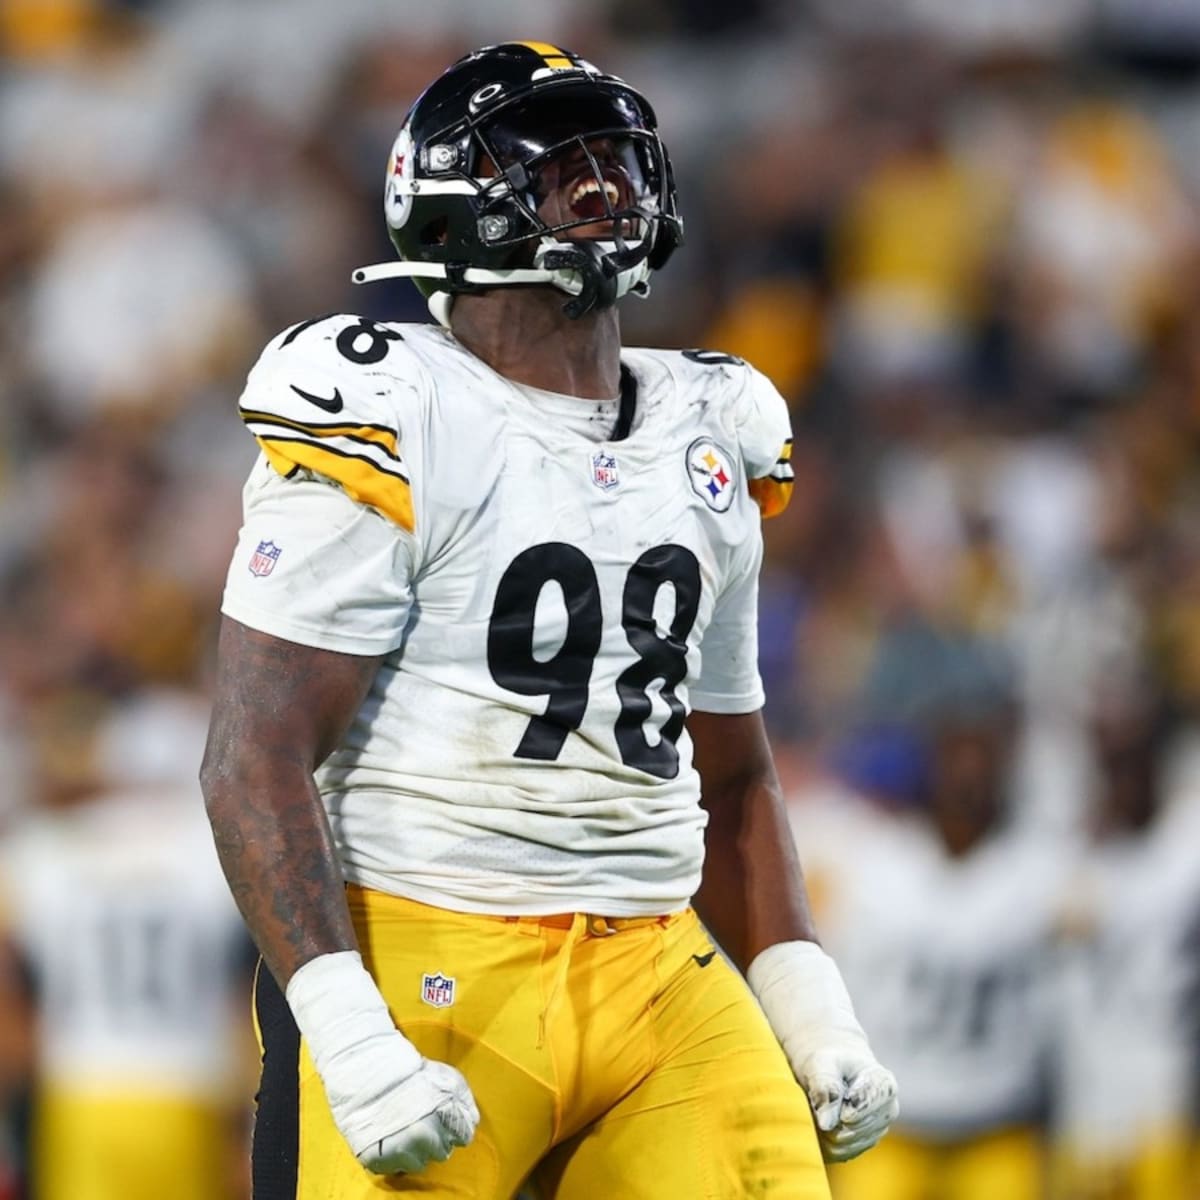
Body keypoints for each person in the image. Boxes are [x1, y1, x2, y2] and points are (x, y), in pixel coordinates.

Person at [200, 41, 898, 1199]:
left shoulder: (711, 422)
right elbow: (252, 758)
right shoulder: (395, 406)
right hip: (430, 943)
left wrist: (811, 1008)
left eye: (612, 156)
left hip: (657, 963)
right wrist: (352, 1036)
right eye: (556, 162)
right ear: (445, 196)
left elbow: (732, 774)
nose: (600, 184)